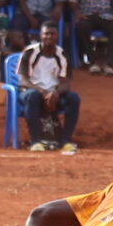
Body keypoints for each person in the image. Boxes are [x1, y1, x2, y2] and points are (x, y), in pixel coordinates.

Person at [21, 23, 79, 153]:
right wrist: (42, 91)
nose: (49, 37)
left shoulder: (62, 55)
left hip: (53, 95)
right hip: (31, 92)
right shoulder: (30, 52)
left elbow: (66, 83)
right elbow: (23, 80)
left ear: (57, 36)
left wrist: (56, 93)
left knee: (73, 98)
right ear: (41, 35)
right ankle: (35, 141)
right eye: (46, 33)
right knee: (32, 96)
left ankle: (65, 141)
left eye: (52, 34)